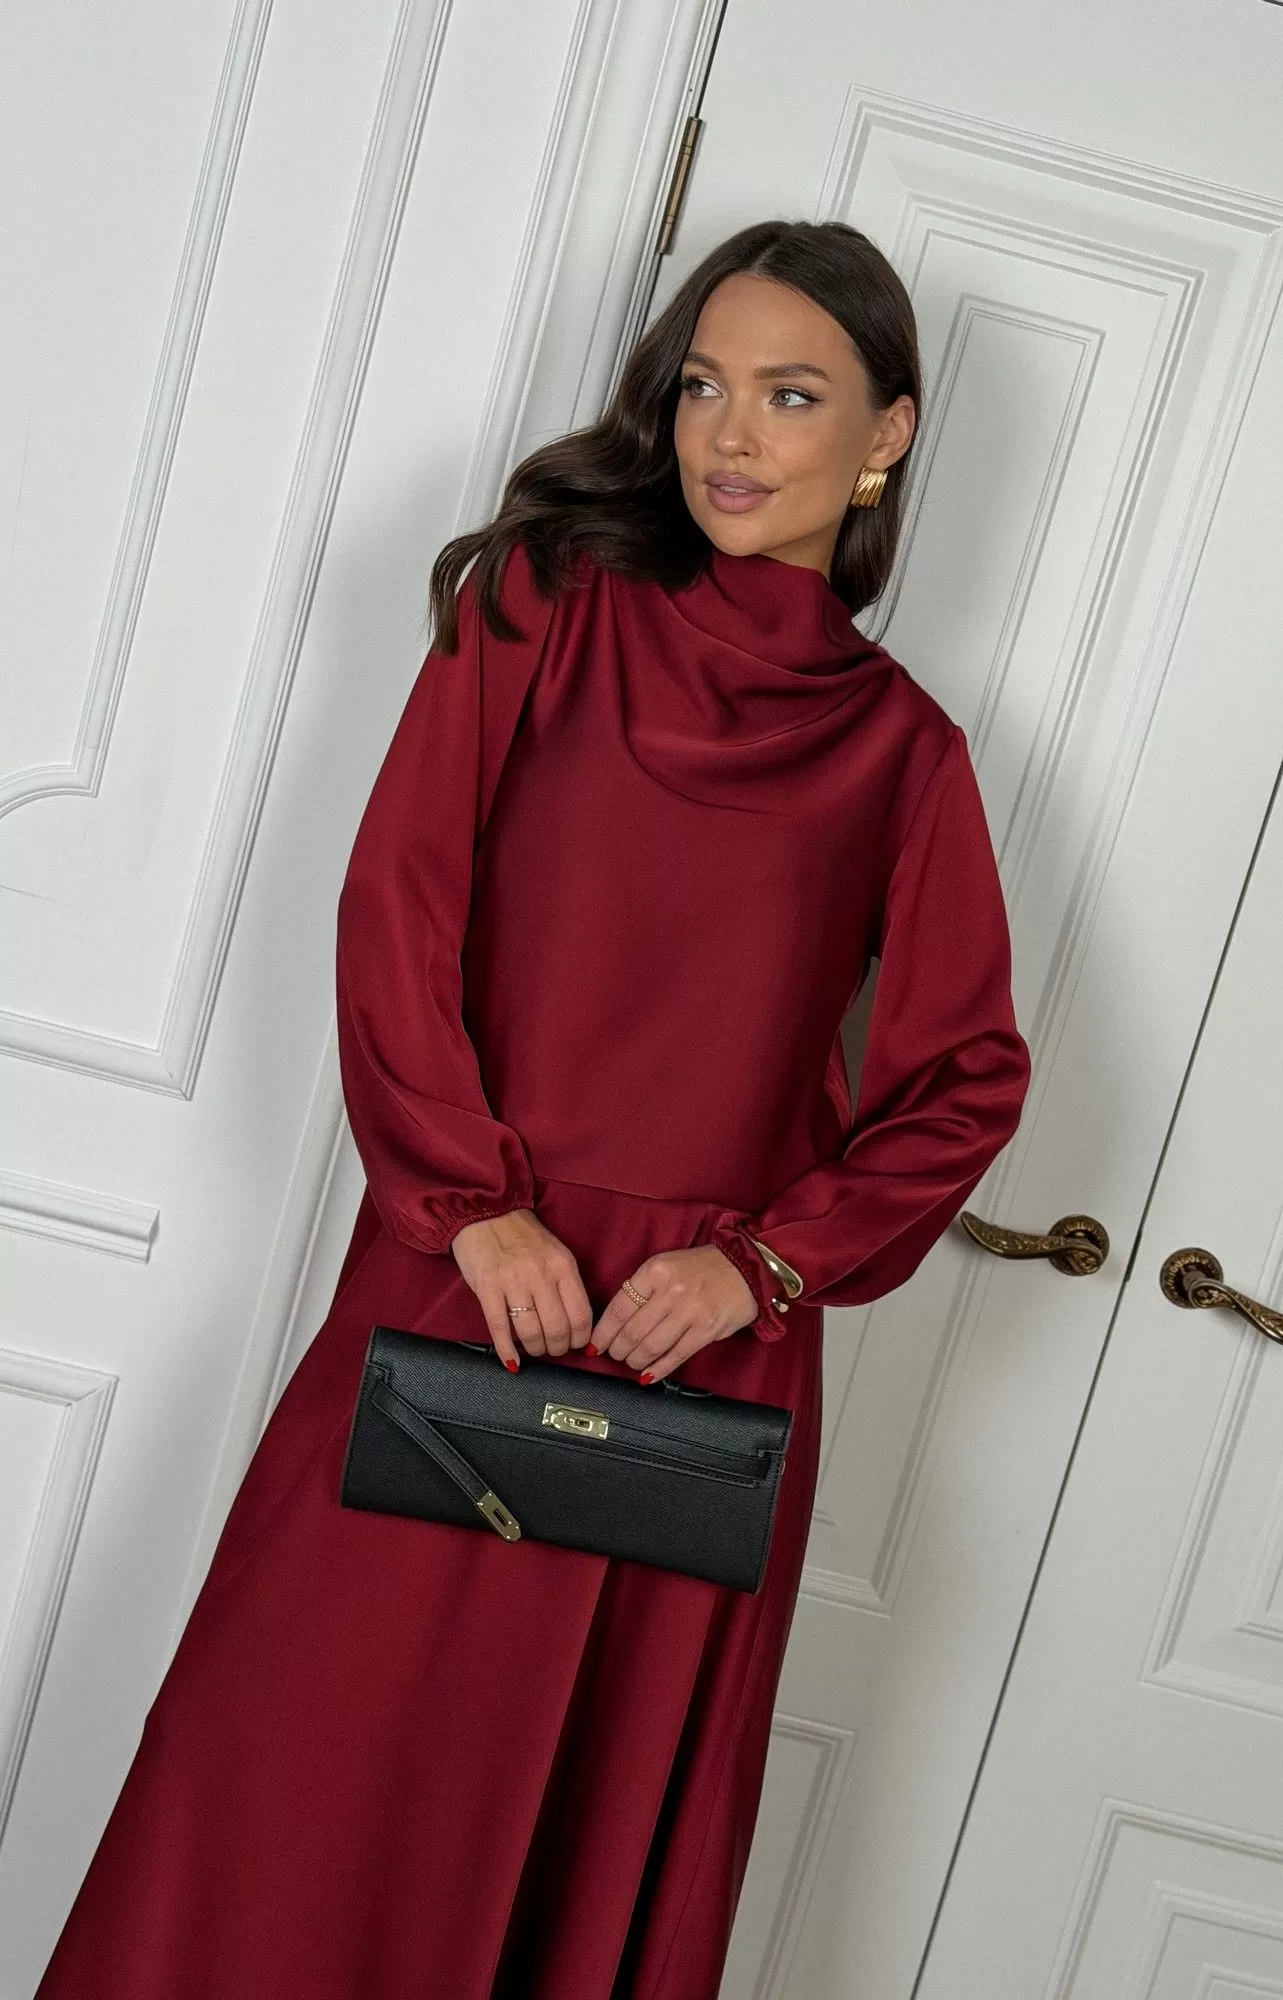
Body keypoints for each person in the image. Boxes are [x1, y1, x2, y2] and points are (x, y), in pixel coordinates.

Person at [34, 218, 1031, 1999]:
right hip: (466, 1281)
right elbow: (397, 910)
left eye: (792, 395)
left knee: (581, 1839)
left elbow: (963, 1081)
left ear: (887, 433)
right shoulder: (541, 612)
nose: (732, 434)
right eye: (704, 387)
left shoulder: (907, 755)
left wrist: (762, 1270)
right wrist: (470, 1204)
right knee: (288, 1779)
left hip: (698, 1355)